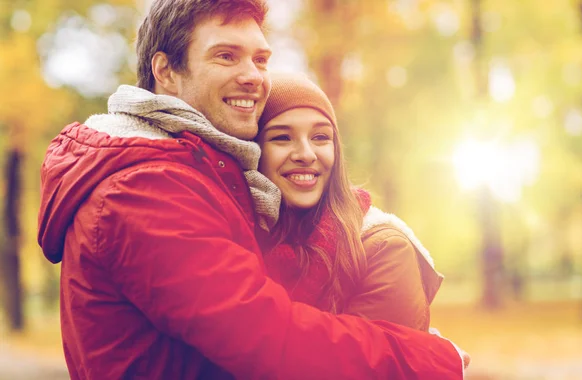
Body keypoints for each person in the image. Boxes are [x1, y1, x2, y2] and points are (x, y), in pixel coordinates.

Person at [37, 0, 466, 379]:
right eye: (226, 56)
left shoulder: (197, 171)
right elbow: (268, 340)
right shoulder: (144, 190)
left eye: (260, 59)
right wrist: (425, 359)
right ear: (165, 71)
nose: (253, 77)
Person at [257, 73, 443, 331]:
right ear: (254, 150)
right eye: (282, 138)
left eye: (320, 137)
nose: (306, 154)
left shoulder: (384, 249)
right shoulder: (240, 241)